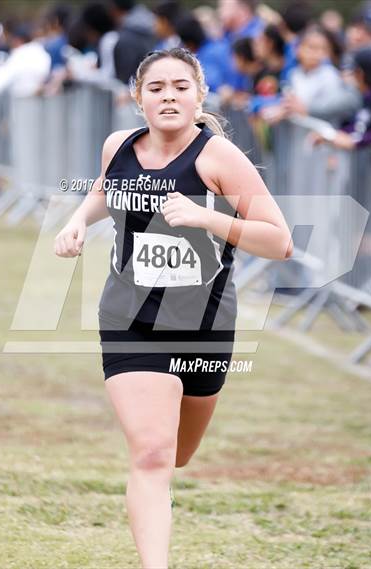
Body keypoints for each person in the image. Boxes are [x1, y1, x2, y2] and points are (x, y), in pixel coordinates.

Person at [54, 47, 293, 569]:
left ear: (200, 95)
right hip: (129, 320)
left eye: (181, 87)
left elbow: (279, 242)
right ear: (137, 97)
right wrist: (78, 219)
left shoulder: (219, 159)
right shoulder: (118, 145)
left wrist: (208, 219)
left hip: (203, 327)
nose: (168, 96)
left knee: (177, 454)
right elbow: (104, 190)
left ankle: (157, 493)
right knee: (153, 454)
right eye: (156, 87)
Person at [312, 47, 371, 149]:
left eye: (353, 73)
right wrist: (331, 136)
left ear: (360, 73)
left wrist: (357, 141)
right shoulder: (370, 94)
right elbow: (360, 126)